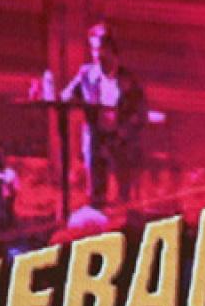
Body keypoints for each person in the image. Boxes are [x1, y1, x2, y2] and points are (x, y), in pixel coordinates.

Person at [63, 22, 147, 210]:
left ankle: (124, 218)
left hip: (121, 139)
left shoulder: (127, 79)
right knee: (96, 193)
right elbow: (66, 96)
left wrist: (125, 131)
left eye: (100, 49)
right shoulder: (87, 74)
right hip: (96, 138)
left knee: (124, 193)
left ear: (111, 49)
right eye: (93, 49)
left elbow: (140, 112)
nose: (96, 55)